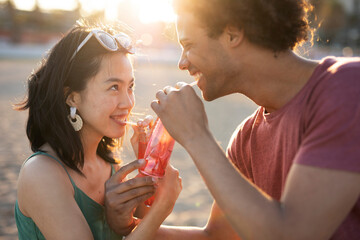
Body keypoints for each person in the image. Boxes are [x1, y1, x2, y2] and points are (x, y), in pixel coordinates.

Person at [103, 0, 360, 239]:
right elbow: (216, 237)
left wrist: (195, 136)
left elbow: (294, 233)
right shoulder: (246, 138)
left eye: (189, 45)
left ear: (232, 34)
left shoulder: (347, 86)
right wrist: (127, 224)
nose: (182, 63)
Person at [14, 21, 182, 240]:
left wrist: (148, 163)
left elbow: (142, 231)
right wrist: (162, 208)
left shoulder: (113, 167)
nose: (128, 102)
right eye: (114, 87)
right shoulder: (42, 173)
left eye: (129, 86)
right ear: (72, 97)